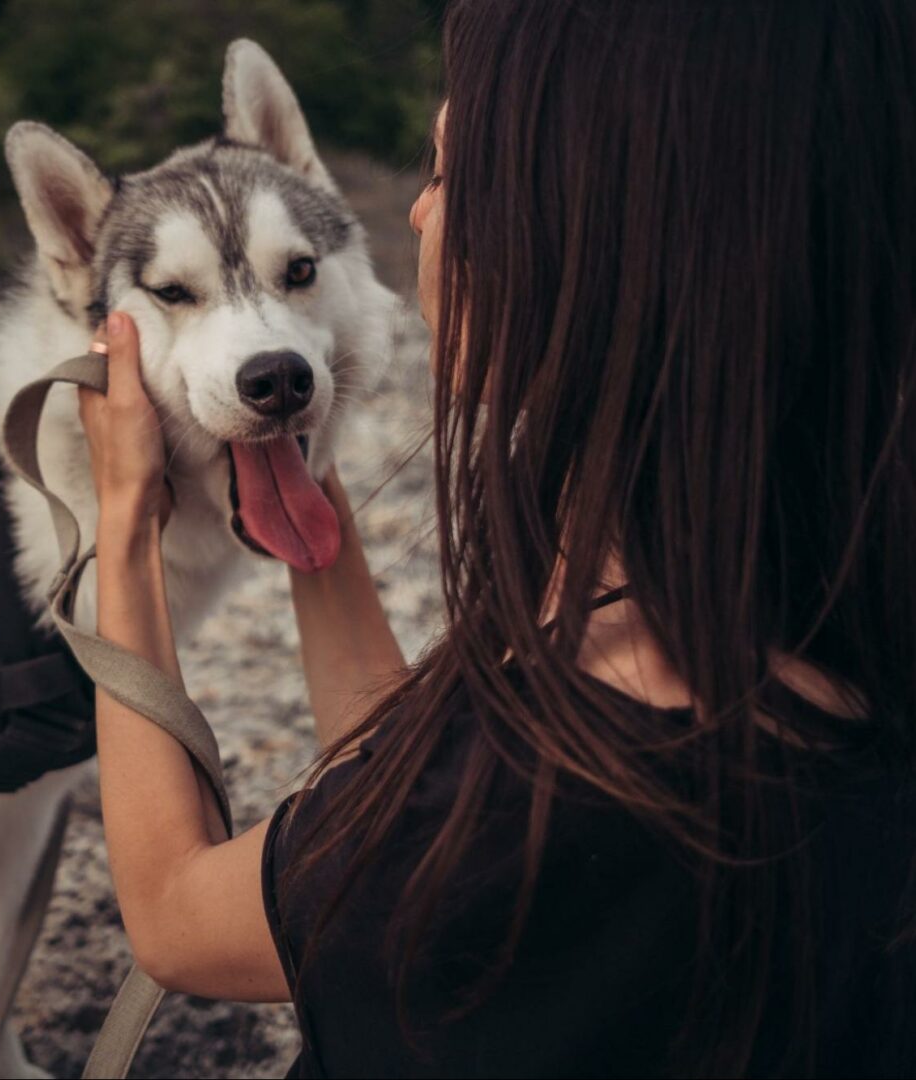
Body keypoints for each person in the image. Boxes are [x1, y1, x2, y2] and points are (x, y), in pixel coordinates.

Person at [74, 1, 916, 1075]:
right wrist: (294, 464)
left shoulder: (584, 781)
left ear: (590, 235)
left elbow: (176, 917)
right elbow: (397, 776)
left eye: (446, 173)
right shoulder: (782, 589)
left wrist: (124, 519)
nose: (419, 218)